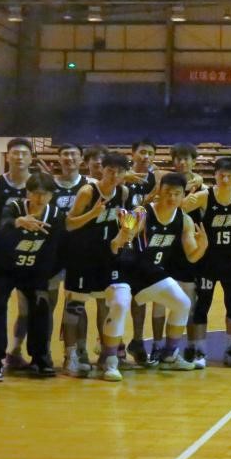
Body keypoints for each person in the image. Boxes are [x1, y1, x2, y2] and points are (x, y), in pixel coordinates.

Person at [118, 172, 208, 372]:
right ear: (159, 190)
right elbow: (126, 231)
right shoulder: (143, 212)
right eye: (168, 192)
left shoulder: (184, 220)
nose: (172, 197)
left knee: (182, 304)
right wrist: (128, 225)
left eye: (177, 194)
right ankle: (114, 350)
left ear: (183, 195)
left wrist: (203, 246)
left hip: (152, 274)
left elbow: (192, 256)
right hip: (132, 269)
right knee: (181, 303)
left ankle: (165, 353)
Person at [0, 173, 61, 381]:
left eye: (45, 194)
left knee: (41, 307)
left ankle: (39, 359)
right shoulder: (14, 208)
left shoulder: (55, 214)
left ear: (51, 195)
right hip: (3, 269)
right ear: (28, 193)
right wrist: (17, 222)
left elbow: (53, 249)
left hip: (32, 271)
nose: (40, 198)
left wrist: (44, 277)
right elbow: (2, 226)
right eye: (35, 193)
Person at [62, 152, 132, 380]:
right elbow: (69, 224)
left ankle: (105, 353)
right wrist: (92, 214)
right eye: (110, 171)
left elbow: (125, 219)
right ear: (102, 170)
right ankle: (72, 354)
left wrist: (127, 231)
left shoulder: (123, 192)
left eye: (119, 172)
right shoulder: (87, 192)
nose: (114, 176)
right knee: (76, 306)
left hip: (107, 257)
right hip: (82, 256)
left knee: (106, 304)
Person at [185, 157, 231, 367]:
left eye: (230, 175)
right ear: (215, 176)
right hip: (207, 262)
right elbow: (176, 210)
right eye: (221, 175)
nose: (225, 179)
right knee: (202, 306)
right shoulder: (204, 196)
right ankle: (200, 352)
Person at [0, 137, 35, 372]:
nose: (19, 157)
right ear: (8, 156)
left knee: (26, 308)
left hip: (29, 256)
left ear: (31, 158)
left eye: (24, 153)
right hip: (2, 256)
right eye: (15, 153)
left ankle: (15, 350)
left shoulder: (37, 185)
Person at [49, 142, 89, 376]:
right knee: (47, 305)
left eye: (74, 154)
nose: (69, 158)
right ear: (59, 158)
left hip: (80, 253)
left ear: (81, 159)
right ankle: (43, 352)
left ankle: (76, 352)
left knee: (76, 306)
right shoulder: (49, 185)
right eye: (65, 154)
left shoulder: (89, 186)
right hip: (53, 252)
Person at [166, 142, 206, 366]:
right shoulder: (167, 185)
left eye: (186, 158)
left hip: (192, 250)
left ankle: (191, 346)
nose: (182, 162)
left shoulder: (203, 188)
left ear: (194, 161)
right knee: (166, 302)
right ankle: (165, 348)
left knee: (191, 302)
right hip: (170, 250)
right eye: (178, 158)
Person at [125, 138, 158, 366]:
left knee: (141, 296)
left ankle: (137, 341)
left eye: (150, 153)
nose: (146, 157)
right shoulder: (122, 178)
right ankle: (112, 344)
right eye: (142, 152)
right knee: (115, 297)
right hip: (121, 243)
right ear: (133, 153)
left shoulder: (156, 179)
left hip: (144, 246)